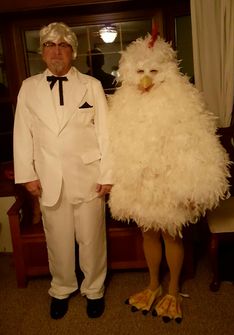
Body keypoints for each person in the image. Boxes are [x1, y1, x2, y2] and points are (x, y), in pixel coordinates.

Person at [108, 33, 230, 323]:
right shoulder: (123, 102)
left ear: (166, 70)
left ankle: (173, 290)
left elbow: (200, 144)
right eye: (140, 71)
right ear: (128, 71)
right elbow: (114, 142)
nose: (147, 78)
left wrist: (193, 185)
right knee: (148, 233)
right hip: (141, 182)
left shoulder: (182, 99)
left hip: (171, 182)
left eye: (154, 71)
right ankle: (153, 285)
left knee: (171, 234)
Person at [13, 22, 112, 320]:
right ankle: (62, 288)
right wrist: (27, 173)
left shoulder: (91, 86)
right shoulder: (28, 88)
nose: (57, 51)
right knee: (57, 239)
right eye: (50, 45)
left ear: (73, 52)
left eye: (63, 45)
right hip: (48, 178)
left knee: (92, 238)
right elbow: (22, 133)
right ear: (42, 52)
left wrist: (107, 175)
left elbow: (106, 134)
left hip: (89, 175)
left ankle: (94, 289)